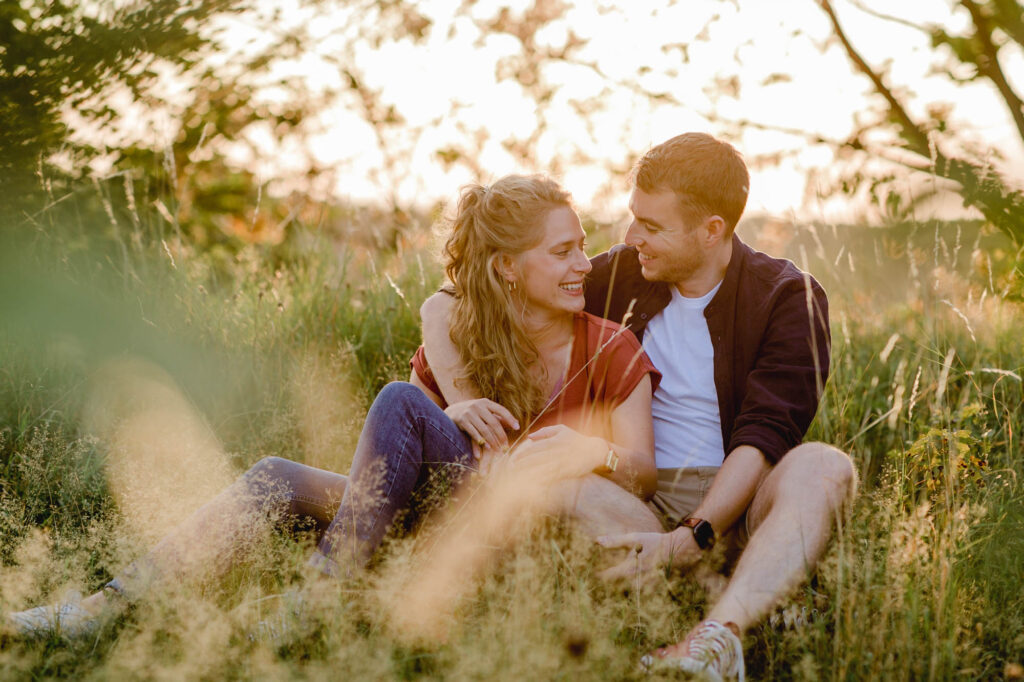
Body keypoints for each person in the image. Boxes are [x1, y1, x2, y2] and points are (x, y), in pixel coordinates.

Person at [6, 174, 661, 640]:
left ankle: (321, 596)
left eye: (580, 245)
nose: (585, 264)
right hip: (424, 530)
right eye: (563, 251)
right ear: (506, 269)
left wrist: (591, 452)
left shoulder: (609, 347)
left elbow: (645, 474)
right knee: (275, 476)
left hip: (513, 538)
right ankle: (97, 612)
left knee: (399, 404)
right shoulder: (456, 349)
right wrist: (450, 415)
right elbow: (393, 480)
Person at [419, 133, 857, 680]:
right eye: (634, 219)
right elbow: (444, 304)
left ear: (711, 230)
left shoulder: (789, 297)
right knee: (547, 477)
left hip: (745, 501)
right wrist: (463, 401)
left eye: (651, 226)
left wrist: (691, 536)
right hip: (639, 503)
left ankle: (715, 640)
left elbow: (765, 437)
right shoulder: (623, 274)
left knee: (824, 466)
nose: (631, 237)